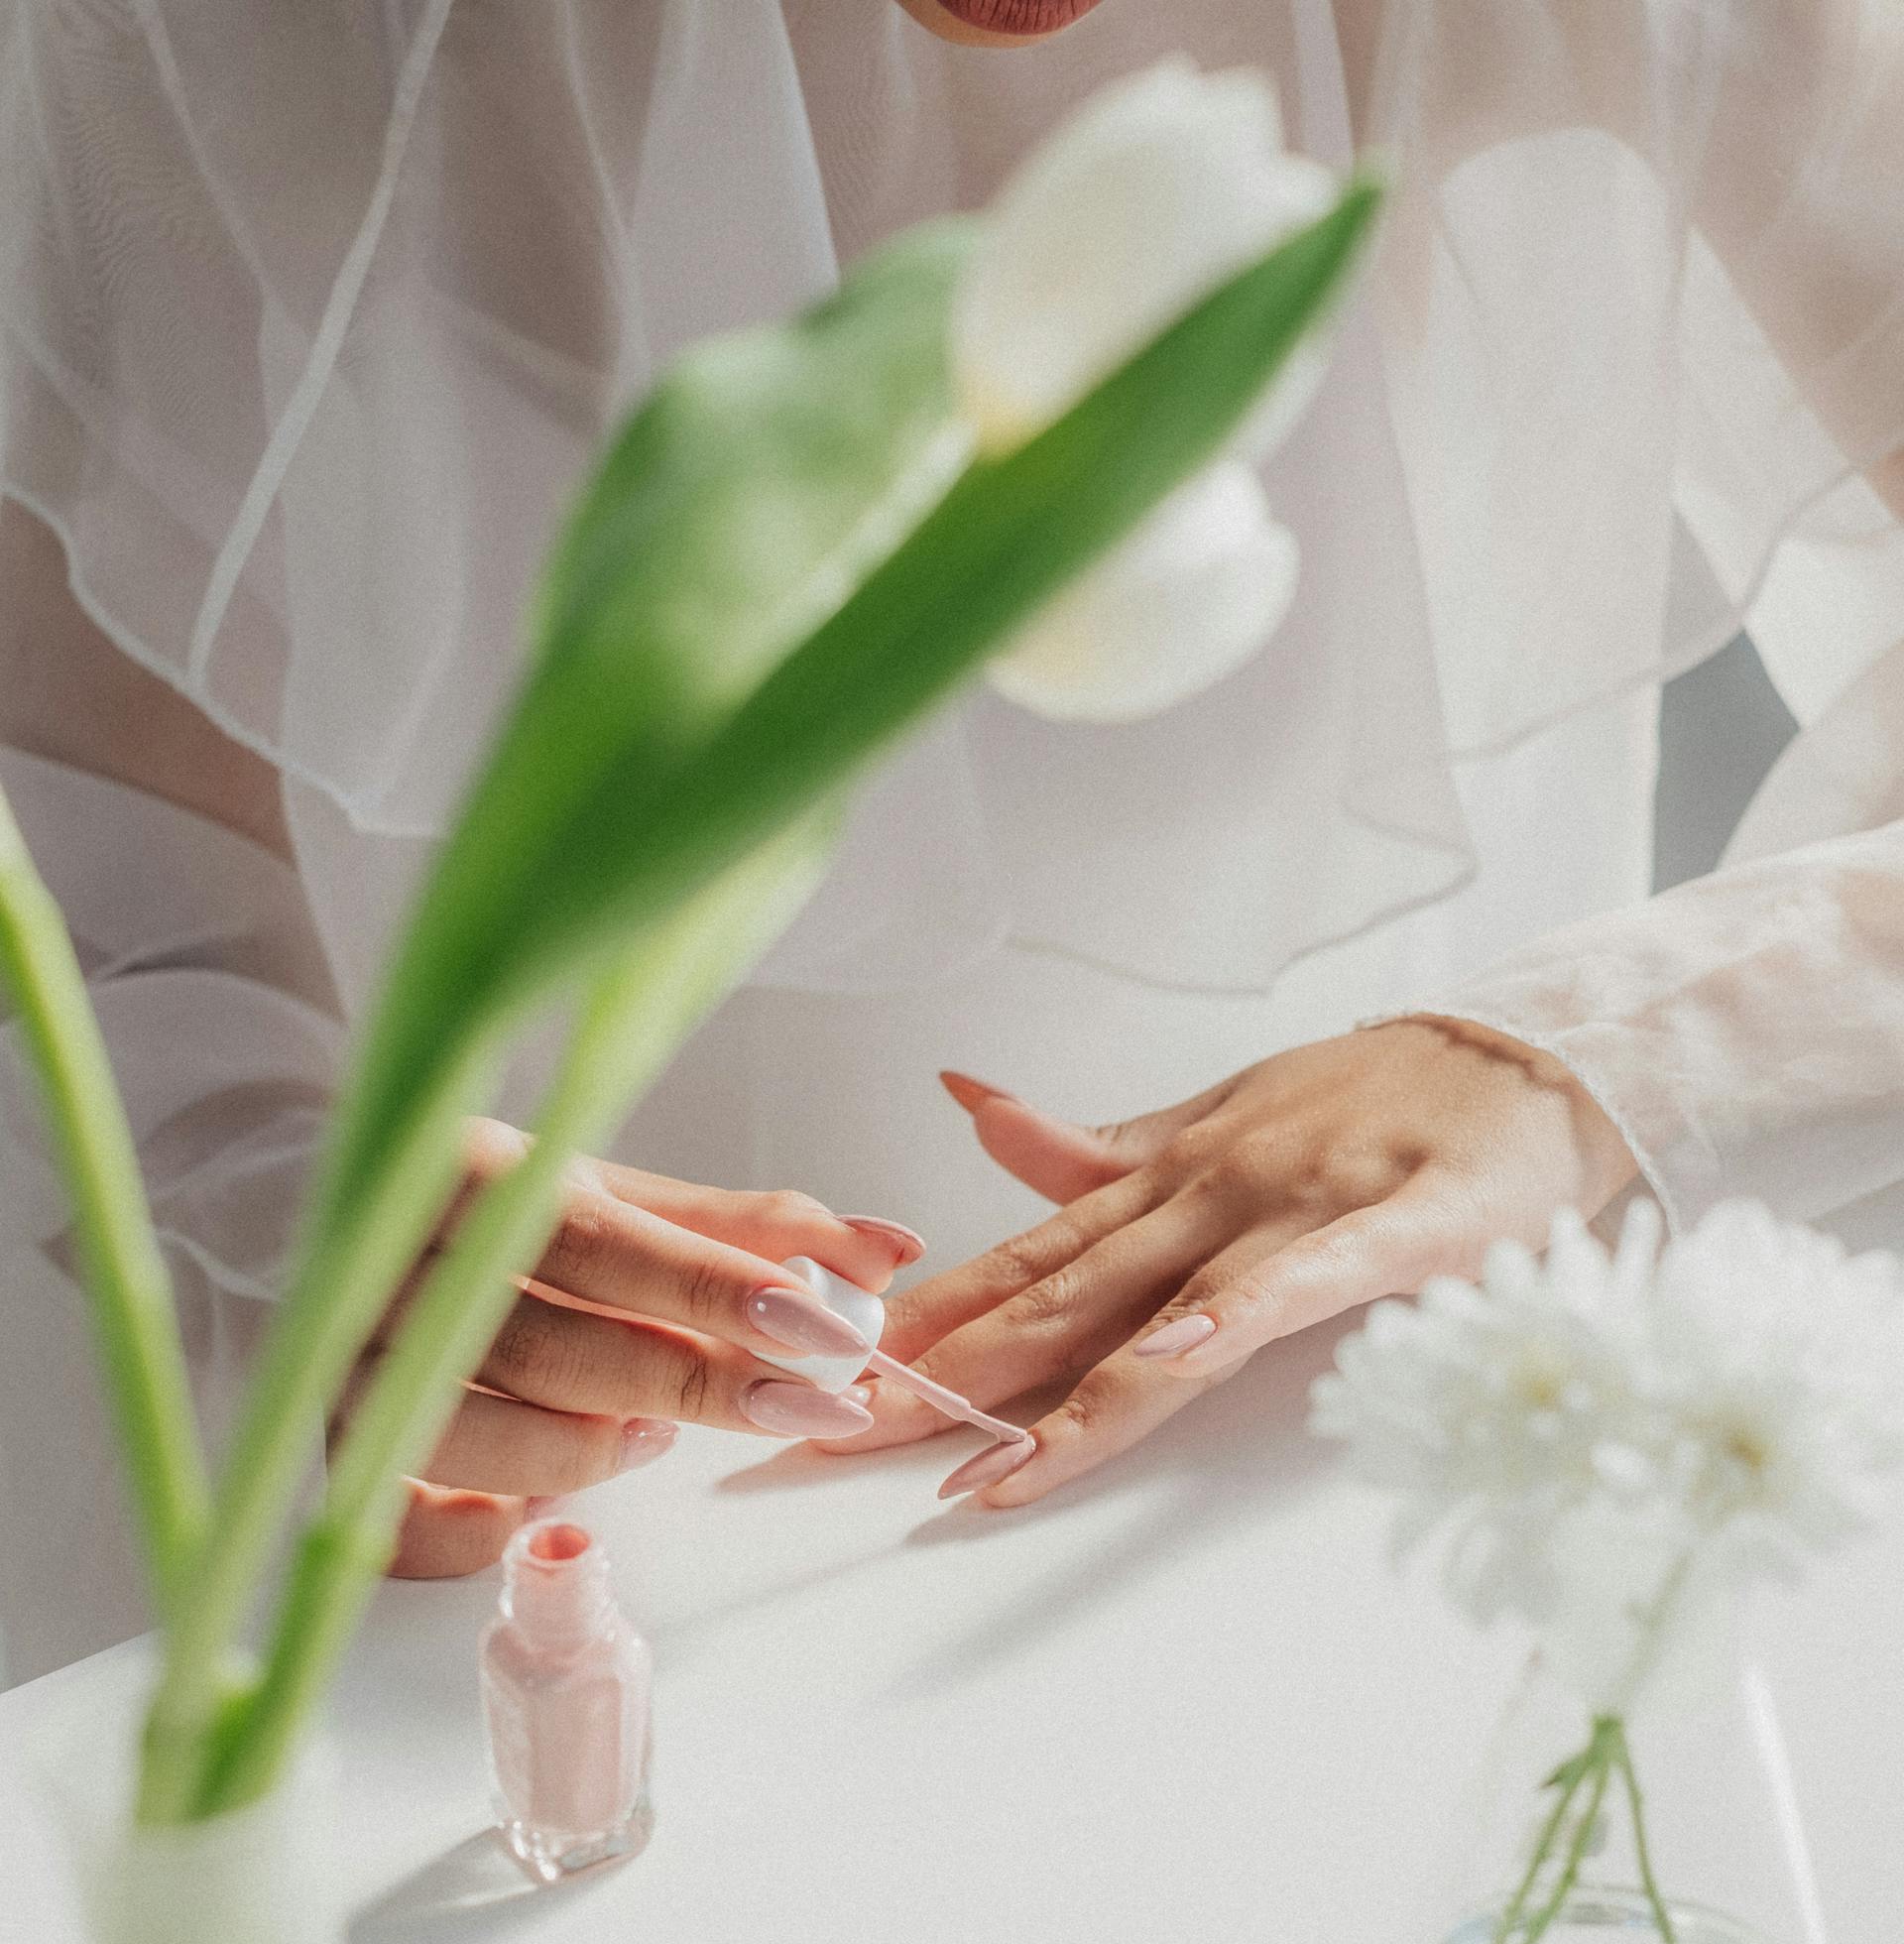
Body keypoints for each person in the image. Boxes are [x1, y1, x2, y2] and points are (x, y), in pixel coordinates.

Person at [1, 0, 1901, 1584]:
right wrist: (272, 1200)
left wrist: (1591, 1059)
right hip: (507, 1561)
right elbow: (92, 864)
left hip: (1340, 1458)